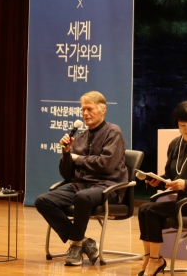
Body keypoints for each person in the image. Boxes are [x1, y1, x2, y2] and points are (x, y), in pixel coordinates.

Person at [35, 91, 128, 266]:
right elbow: (67, 175)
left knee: (83, 197)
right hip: (80, 187)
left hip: (107, 187)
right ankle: (82, 242)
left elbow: (106, 165)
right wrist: (67, 152)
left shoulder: (113, 132)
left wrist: (79, 158)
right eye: (83, 109)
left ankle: (76, 246)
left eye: (89, 109)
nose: (85, 113)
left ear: (103, 110)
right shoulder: (80, 137)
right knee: (42, 201)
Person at [137, 101, 187, 276]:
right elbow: (170, 175)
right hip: (183, 201)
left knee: (151, 211)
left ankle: (157, 260)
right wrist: (158, 180)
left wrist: (186, 184)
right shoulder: (175, 144)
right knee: (143, 209)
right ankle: (149, 257)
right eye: (183, 125)